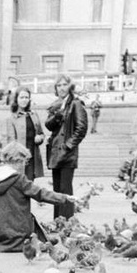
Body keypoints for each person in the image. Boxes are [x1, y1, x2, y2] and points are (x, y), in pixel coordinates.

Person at [0, 142, 78, 252]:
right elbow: (40, 193)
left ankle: (41, 240)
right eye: (24, 162)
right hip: (18, 234)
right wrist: (64, 197)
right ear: (19, 161)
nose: (25, 166)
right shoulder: (19, 179)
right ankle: (42, 241)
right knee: (30, 219)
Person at [44, 73, 88, 219]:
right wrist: (57, 115)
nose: (62, 88)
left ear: (70, 86)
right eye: (59, 85)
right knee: (57, 191)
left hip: (67, 154)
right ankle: (58, 222)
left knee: (65, 190)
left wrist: (68, 146)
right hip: (55, 152)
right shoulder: (56, 104)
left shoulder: (76, 103)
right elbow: (48, 125)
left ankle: (67, 223)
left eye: (64, 84)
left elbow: (81, 128)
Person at [2, 87, 44, 181]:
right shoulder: (11, 118)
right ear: (16, 99)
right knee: (20, 184)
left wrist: (39, 138)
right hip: (19, 159)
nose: (24, 100)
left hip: (33, 157)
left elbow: (41, 133)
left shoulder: (34, 115)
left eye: (26, 97)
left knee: (30, 184)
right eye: (21, 97)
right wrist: (19, 157)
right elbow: (11, 143)